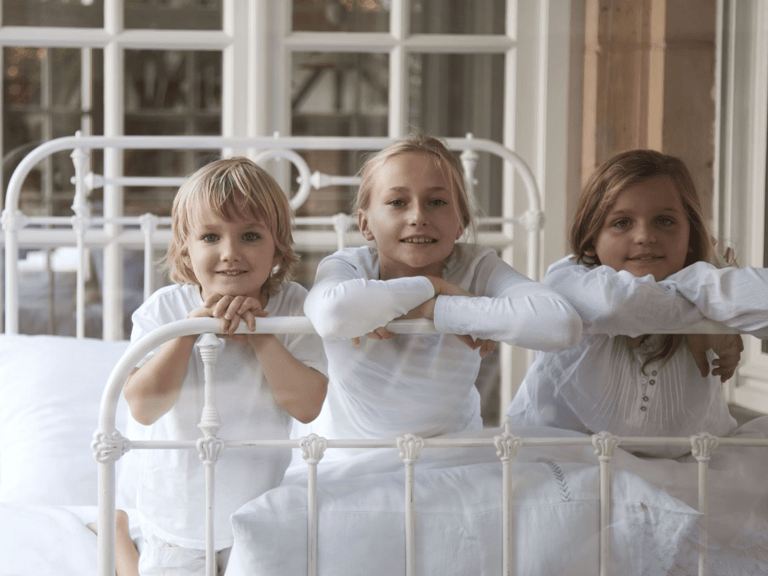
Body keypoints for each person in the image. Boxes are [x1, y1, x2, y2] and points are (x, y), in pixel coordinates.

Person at [298, 133, 582, 460]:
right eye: (397, 202)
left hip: (449, 460)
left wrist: (437, 309)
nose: (418, 216)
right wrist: (432, 286)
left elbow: (561, 324)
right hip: (346, 461)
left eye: (436, 202)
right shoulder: (349, 266)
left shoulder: (474, 266)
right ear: (365, 224)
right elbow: (331, 313)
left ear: (461, 222)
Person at [115, 157, 328, 576]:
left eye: (250, 236)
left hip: (257, 508)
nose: (230, 253)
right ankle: (118, 533)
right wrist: (188, 331)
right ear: (186, 248)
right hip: (176, 511)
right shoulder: (164, 309)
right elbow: (143, 407)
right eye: (211, 237)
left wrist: (262, 336)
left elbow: (307, 407)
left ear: (277, 246)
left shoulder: (294, 307)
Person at [506, 149, 768, 458]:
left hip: (686, 464)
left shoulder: (703, 281)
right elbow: (617, 305)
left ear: (691, 234)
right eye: (622, 223)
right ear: (591, 238)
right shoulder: (568, 282)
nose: (644, 236)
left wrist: (700, 290)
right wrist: (707, 318)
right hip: (565, 461)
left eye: (665, 221)